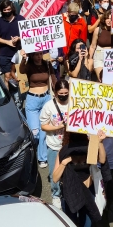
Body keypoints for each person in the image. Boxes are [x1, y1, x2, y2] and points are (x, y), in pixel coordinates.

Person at [52, 130, 109, 227]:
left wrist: (100, 143)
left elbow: (102, 160)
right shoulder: (64, 152)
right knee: (71, 226)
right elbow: (55, 178)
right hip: (70, 192)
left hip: (87, 192)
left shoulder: (89, 150)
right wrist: (64, 163)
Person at [18, 50, 54, 167]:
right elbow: (22, 70)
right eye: (36, 55)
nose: (39, 57)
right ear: (32, 55)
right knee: (35, 133)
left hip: (46, 99)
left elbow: (53, 79)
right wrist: (24, 59)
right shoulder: (29, 65)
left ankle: (42, 158)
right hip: (33, 100)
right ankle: (33, 152)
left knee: (44, 131)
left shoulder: (47, 64)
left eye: (40, 54)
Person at [40, 78, 70, 209]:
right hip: (54, 145)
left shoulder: (74, 103)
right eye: (61, 94)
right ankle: (56, 195)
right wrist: (59, 127)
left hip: (69, 145)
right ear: (56, 93)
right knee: (54, 173)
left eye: (66, 93)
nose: (64, 96)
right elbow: (43, 126)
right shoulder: (49, 106)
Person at [0, 0, 22, 74]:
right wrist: (7, 42)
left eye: (9, 9)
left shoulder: (21, 19)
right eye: (5, 10)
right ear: (2, 11)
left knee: (19, 76)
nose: (7, 11)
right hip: (5, 54)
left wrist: (18, 38)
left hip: (19, 53)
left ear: (12, 9)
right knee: (7, 76)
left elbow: (27, 34)